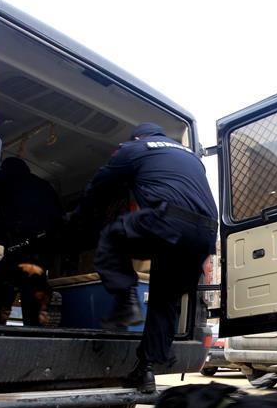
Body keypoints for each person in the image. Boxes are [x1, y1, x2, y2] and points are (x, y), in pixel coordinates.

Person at [78, 123, 217, 393]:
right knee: (165, 300)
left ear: (138, 136)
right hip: (205, 233)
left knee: (112, 236)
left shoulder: (134, 149)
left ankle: (125, 303)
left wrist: (79, 217)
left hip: (169, 220)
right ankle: (146, 371)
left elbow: (100, 187)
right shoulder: (190, 156)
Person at [0, 157, 64, 326]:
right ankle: (39, 318)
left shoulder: (4, 180)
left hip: (15, 242)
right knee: (33, 285)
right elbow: (59, 219)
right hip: (42, 246)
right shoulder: (44, 185)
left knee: (2, 285)